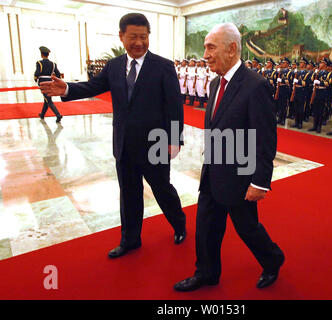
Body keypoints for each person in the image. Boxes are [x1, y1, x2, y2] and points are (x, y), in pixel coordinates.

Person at [40, 13, 187, 258]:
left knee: (162, 189)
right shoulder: (114, 66)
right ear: (121, 37)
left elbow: (174, 105)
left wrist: (175, 139)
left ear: (149, 36)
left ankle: (179, 224)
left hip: (157, 144)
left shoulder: (163, 66)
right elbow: (93, 86)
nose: (139, 42)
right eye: (133, 37)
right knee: (128, 194)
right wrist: (66, 88)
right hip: (125, 144)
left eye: (143, 37)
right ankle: (130, 240)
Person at [174, 23, 284, 292]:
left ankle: (272, 259)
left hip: (240, 175)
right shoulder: (214, 83)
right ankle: (207, 273)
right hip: (213, 171)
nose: (206, 54)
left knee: (247, 228)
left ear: (232, 49)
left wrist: (260, 182)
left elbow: (265, 138)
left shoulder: (255, 86)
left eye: (211, 47)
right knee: (206, 227)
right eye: (205, 48)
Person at [35, 46, 63, 123]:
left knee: (48, 100)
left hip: (43, 82)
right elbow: (58, 74)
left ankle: (58, 115)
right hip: (50, 82)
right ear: (48, 54)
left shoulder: (39, 63)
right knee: (46, 99)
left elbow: (37, 73)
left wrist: (35, 78)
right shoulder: (53, 64)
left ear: (41, 54)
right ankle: (42, 114)